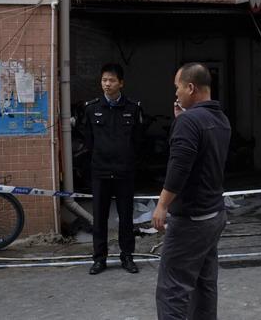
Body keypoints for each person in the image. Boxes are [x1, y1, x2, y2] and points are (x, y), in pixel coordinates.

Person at [152, 63, 231, 320]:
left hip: (191, 219)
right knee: (204, 285)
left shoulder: (189, 122)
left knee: (172, 289)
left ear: (190, 87)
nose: (175, 93)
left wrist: (162, 205)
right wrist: (181, 120)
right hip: (214, 215)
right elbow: (201, 158)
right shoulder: (220, 119)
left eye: (177, 87)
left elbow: (179, 168)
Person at [83, 63, 144, 275]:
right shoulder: (91, 109)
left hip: (124, 172)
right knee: (99, 218)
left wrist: (129, 161)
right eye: (104, 80)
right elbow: (88, 141)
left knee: (126, 217)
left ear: (121, 83)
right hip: (100, 172)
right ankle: (99, 259)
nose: (107, 84)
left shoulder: (133, 109)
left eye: (111, 80)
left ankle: (127, 256)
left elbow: (138, 141)